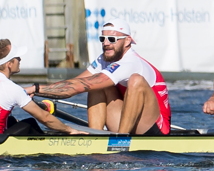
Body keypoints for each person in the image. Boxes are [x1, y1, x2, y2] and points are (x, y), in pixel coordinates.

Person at [30, 23, 171, 134]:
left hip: (155, 127)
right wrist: (34, 92)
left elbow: (75, 88)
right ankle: (95, 136)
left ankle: (120, 141)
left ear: (127, 41)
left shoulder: (131, 62)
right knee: (95, 83)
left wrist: (34, 89)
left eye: (112, 39)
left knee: (135, 80)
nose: (106, 43)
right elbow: (75, 83)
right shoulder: (104, 59)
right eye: (102, 39)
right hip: (129, 121)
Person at [0, 39, 77, 137]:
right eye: (17, 58)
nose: (20, 60)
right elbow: (45, 118)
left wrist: (28, 90)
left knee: (10, 120)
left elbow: (1, 94)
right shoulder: (10, 88)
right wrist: (70, 130)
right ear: (9, 64)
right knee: (30, 123)